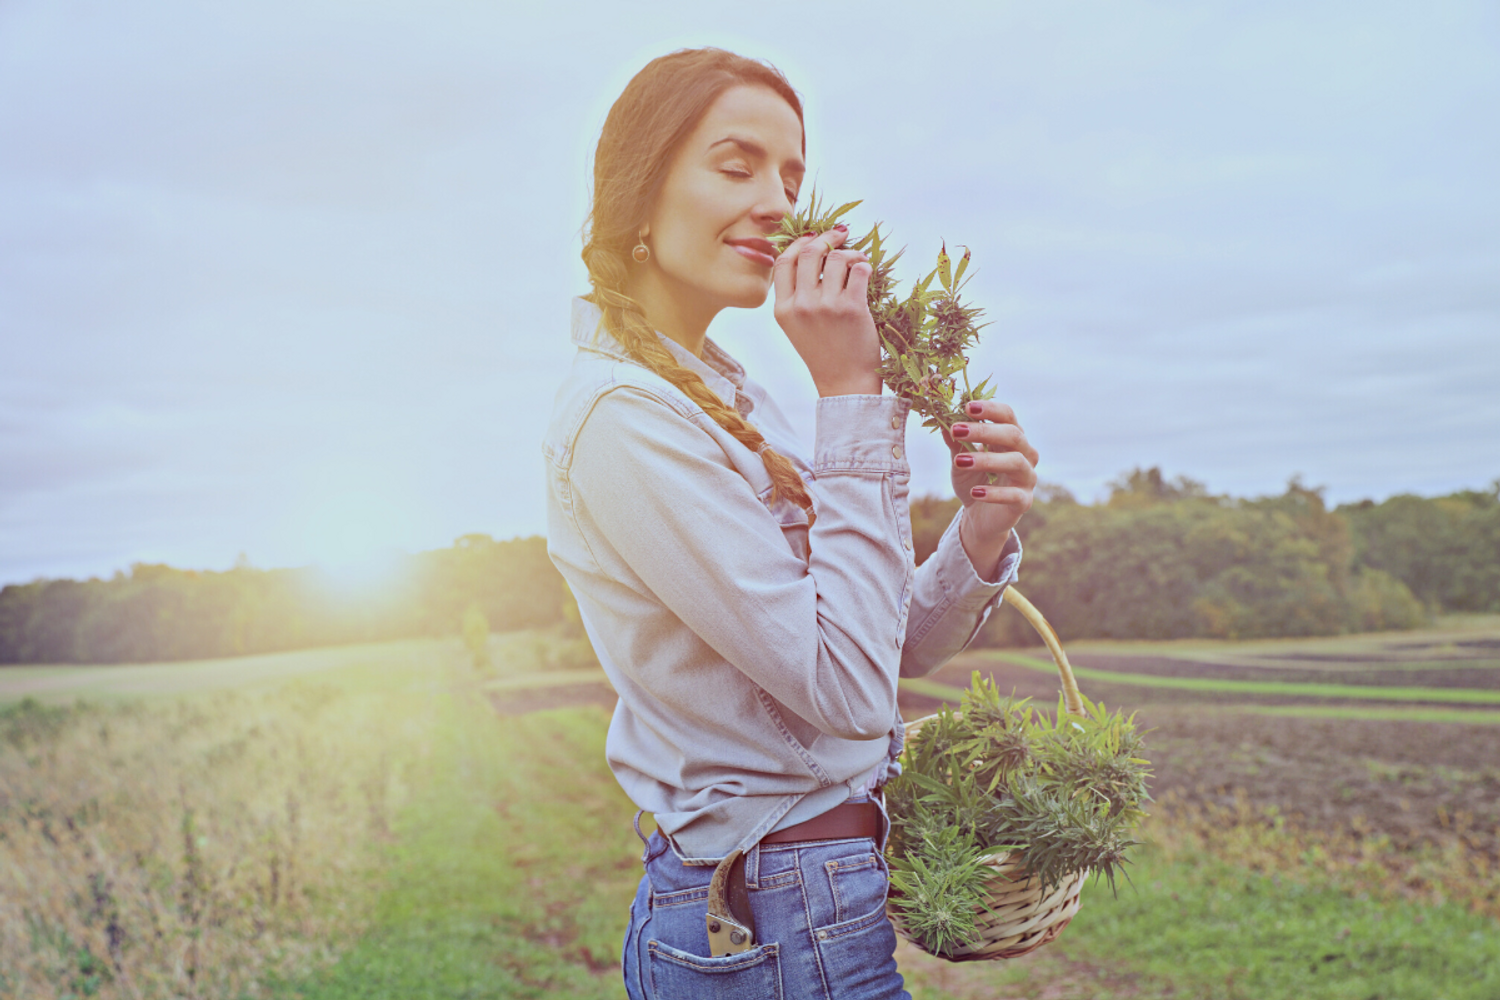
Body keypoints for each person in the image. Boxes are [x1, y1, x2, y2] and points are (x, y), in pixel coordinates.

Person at [543, 46, 1039, 1000]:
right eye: (738, 167)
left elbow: (880, 653)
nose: (779, 201)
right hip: (766, 920)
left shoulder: (733, 395)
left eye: (793, 175)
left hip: (808, 904)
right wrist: (852, 392)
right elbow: (848, 693)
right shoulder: (623, 418)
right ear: (641, 191)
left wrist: (980, 533)